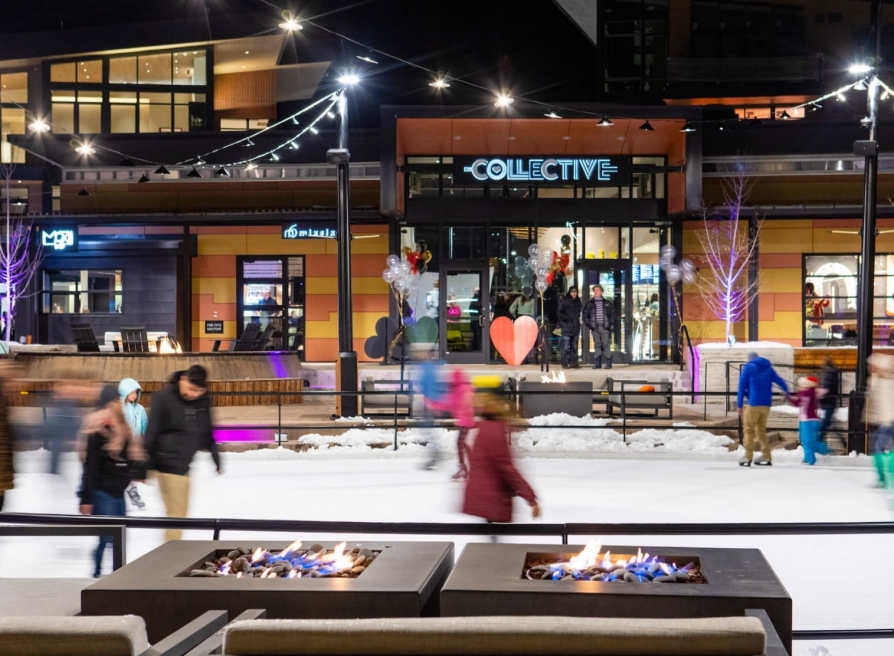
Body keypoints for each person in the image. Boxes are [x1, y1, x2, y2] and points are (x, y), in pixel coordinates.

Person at [144, 365, 221, 541]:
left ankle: (170, 554)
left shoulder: (202, 401)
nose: (193, 394)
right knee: (177, 516)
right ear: (183, 379)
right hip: (167, 464)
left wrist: (216, 457)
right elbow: (151, 432)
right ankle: (171, 559)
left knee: (177, 516)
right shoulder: (164, 398)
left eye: (198, 391)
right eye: (191, 389)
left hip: (184, 465)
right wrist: (143, 468)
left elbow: (207, 430)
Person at [78, 384, 146, 577]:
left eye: (119, 401)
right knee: (106, 537)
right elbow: (90, 465)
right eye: (114, 401)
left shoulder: (124, 426)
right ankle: (97, 573)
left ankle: (118, 575)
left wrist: (137, 470)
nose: (118, 405)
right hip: (102, 492)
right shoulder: (96, 427)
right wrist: (86, 498)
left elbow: (130, 458)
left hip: (118, 492)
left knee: (120, 536)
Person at [462, 391, 540, 532]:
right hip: (492, 497)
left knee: (492, 539)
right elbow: (506, 468)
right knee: (495, 544)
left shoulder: (482, 427)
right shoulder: (494, 431)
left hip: (481, 495)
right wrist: (530, 498)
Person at [736, 352, 790, 466]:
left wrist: (739, 405)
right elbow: (780, 381)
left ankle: (748, 456)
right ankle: (766, 455)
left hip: (753, 403)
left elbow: (741, 387)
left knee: (748, 429)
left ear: (749, 359)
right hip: (766, 405)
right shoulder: (769, 368)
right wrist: (786, 392)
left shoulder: (748, 368)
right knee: (761, 431)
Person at [867, 354, 894, 488]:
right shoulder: (876, 380)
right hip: (883, 421)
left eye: (872, 366)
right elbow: (873, 404)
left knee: (878, 449)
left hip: (887, 421)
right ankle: (885, 478)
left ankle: (885, 478)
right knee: (878, 449)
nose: (869, 368)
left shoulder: (885, 381)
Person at [788, 376, 828, 466]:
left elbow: (797, 403)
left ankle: (810, 459)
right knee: (811, 440)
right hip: (815, 420)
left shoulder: (803, 393)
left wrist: (789, 397)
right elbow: (823, 391)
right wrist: (814, 388)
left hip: (806, 421)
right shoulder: (814, 392)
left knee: (806, 441)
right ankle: (821, 448)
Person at [449, 369, 475, 482]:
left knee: (460, 443)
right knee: (463, 443)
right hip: (466, 420)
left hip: (465, 421)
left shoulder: (460, 389)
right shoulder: (466, 387)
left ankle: (464, 467)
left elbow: (454, 404)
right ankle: (470, 466)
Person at [583, 284, 615, 369]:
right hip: (595, 327)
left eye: (598, 290)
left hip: (605, 327)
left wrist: (610, 324)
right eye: (595, 291)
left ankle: (608, 362)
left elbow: (612, 314)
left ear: (601, 292)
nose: (596, 292)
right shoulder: (589, 304)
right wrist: (590, 324)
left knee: (606, 344)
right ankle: (598, 363)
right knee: (597, 344)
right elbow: (585, 315)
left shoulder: (608, 303)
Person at [557, 286, 582, 369]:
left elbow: (579, 313)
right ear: (570, 292)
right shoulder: (565, 301)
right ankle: (564, 362)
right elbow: (560, 313)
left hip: (575, 327)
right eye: (572, 291)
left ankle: (573, 362)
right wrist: (566, 319)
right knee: (565, 347)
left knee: (574, 347)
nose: (574, 293)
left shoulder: (578, 301)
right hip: (567, 327)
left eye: (575, 291)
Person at [817, 359, 840, 446]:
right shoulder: (834, 374)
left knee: (825, 424)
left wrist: (817, 393)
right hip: (831, 402)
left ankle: (819, 441)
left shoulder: (828, 375)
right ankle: (820, 441)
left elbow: (826, 389)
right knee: (827, 423)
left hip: (827, 402)